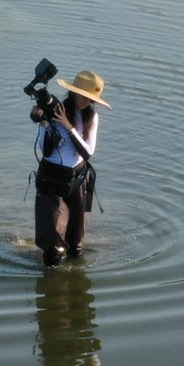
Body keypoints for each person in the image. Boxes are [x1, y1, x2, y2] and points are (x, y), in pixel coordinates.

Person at [35, 69, 107, 267]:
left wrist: (68, 126)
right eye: (83, 96)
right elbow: (46, 151)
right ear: (73, 92)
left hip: (77, 178)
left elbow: (87, 152)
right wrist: (43, 124)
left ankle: (76, 273)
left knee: (76, 242)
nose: (86, 102)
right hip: (51, 178)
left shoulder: (92, 117)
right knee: (53, 248)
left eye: (90, 99)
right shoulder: (56, 111)